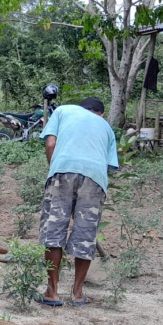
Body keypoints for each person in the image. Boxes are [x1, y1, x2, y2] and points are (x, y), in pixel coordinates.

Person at [38, 97, 118, 307]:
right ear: (101, 113)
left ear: (81, 108)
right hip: (95, 178)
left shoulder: (63, 111)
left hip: (62, 171)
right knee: (85, 234)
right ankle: (78, 294)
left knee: (54, 231)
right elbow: (108, 166)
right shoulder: (107, 128)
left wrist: (54, 171)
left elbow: (51, 143)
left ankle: (52, 292)